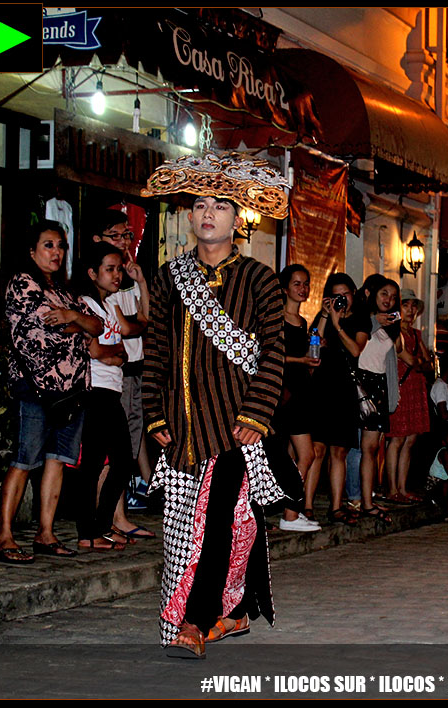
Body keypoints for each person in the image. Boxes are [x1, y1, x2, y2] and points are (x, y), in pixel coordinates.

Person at [140, 152, 289, 658]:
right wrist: (155, 415)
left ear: (237, 218)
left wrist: (255, 415)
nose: (208, 213)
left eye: (220, 206)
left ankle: (196, 621)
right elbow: (155, 350)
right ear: (188, 216)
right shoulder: (168, 278)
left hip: (233, 426)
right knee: (184, 528)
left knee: (220, 518)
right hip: (181, 427)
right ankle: (234, 608)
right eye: (200, 204)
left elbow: (273, 353)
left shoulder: (260, 279)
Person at [0, 221, 104, 564]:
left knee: (58, 460)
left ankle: (46, 532)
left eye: (60, 246)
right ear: (32, 251)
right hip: (37, 386)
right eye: (48, 245)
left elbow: (96, 325)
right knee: (25, 458)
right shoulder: (24, 284)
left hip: (71, 389)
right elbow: (45, 329)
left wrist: (72, 316)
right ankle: (5, 537)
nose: (56, 252)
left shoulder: (67, 292)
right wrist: (77, 324)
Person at [90, 208, 155, 538]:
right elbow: (104, 344)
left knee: (123, 450)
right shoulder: (93, 297)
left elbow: (141, 323)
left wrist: (140, 280)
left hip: (129, 372)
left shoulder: (120, 288)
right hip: (105, 382)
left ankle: (115, 517)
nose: (125, 241)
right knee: (110, 455)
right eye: (117, 235)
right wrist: (114, 354)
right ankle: (106, 521)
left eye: (128, 235)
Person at [73, 242, 140, 551]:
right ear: (92, 273)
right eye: (109, 269)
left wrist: (114, 354)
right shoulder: (85, 303)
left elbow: (124, 349)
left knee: (122, 461)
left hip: (112, 387)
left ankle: (98, 526)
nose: (116, 275)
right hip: (95, 389)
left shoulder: (110, 304)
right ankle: (89, 531)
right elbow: (96, 350)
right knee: (96, 463)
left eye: (117, 268)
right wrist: (112, 354)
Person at [306, 272, 370, 526]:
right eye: (336, 295)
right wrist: (324, 316)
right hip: (322, 386)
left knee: (339, 452)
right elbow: (313, 346)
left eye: (345, 294)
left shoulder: (360, 320)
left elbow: (356, 349)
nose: (341, 299)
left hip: (344, 389)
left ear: (353, 294)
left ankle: (335, 506)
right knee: (317, 449)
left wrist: (338, 324)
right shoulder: (325, 316)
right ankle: (307, 506)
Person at [274, 264, 321, 532]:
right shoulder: (277, 318)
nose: (302, 289)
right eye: (297, 284)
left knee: (299, 454)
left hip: (301, 389)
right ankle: (290, 513)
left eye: (305, 284)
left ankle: (292, 509)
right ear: (284, 288)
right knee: (306, 454)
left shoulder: (303, 322)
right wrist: (300, 359)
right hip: (285, 392)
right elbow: (270, 355)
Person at [355, 277, 403, 524]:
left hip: (378, 385)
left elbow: (392, 361)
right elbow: (356, 346)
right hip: (358, 382)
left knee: (371, 449)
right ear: (372, 294)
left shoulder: (390, 326)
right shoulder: (360, 317)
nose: (389, 300)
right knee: (348, 448)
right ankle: (352, 498)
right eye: (384, 293)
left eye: (394, 297)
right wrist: (374, 321)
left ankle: (367, 501)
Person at [386, 288, 432, 502]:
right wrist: (420, 363)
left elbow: (428, 362)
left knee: (410, 440)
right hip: (400, 388)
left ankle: (402, 488)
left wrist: (421, 363)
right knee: (397, 439)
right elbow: (413, 361)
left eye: (413, 306)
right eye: (406, 305)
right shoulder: (394, 332)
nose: (411, 310)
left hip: (415, 388)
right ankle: (392, 488)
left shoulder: (416, 334)